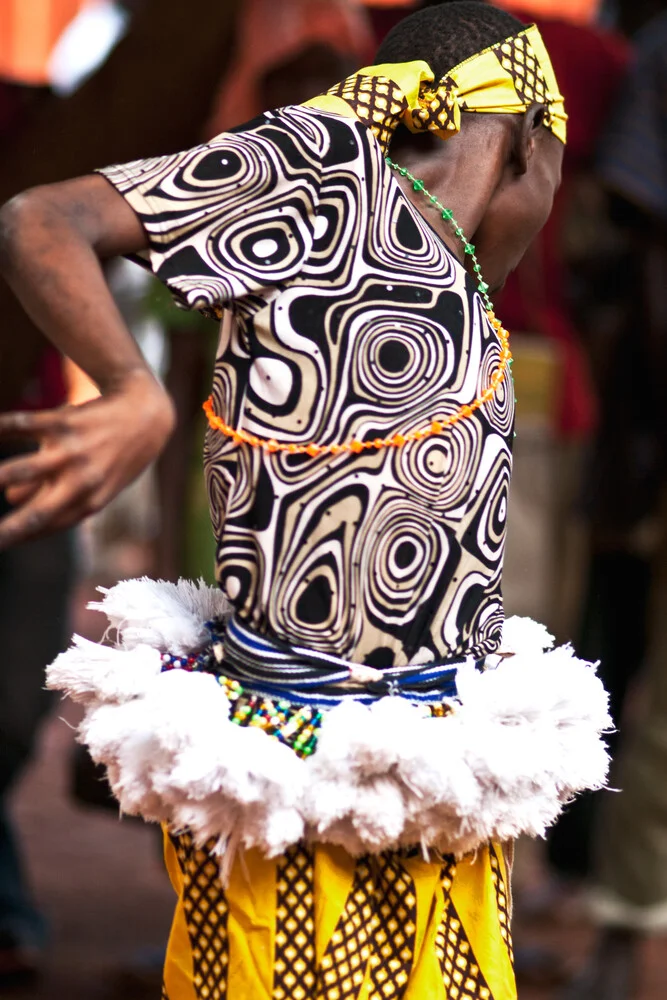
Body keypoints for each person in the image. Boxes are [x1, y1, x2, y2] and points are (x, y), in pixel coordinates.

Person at [0, 4, 610, 998]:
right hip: (286, 773)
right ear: (530, 146)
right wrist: (130, 387)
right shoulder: (320, 165)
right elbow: (41, 220)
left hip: (433, 787)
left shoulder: (457, 276)